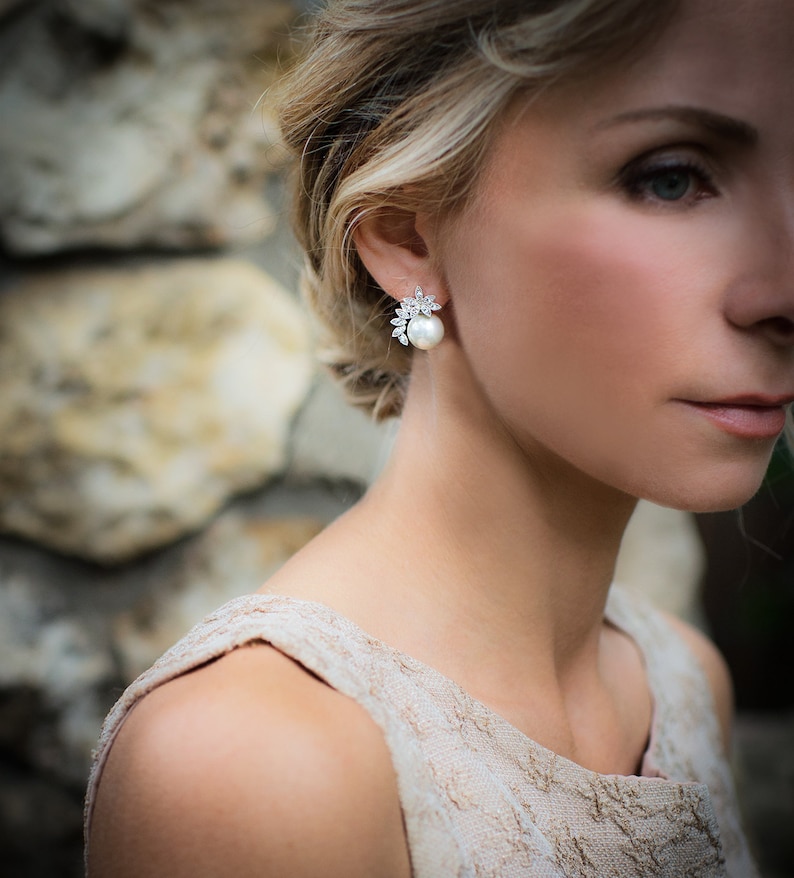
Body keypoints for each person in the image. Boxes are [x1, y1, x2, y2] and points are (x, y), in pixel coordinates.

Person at [85, 0, 794, 874]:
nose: (782, 288)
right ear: (406, 237)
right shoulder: (250, 764)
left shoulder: (682, 683)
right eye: (672, 177)